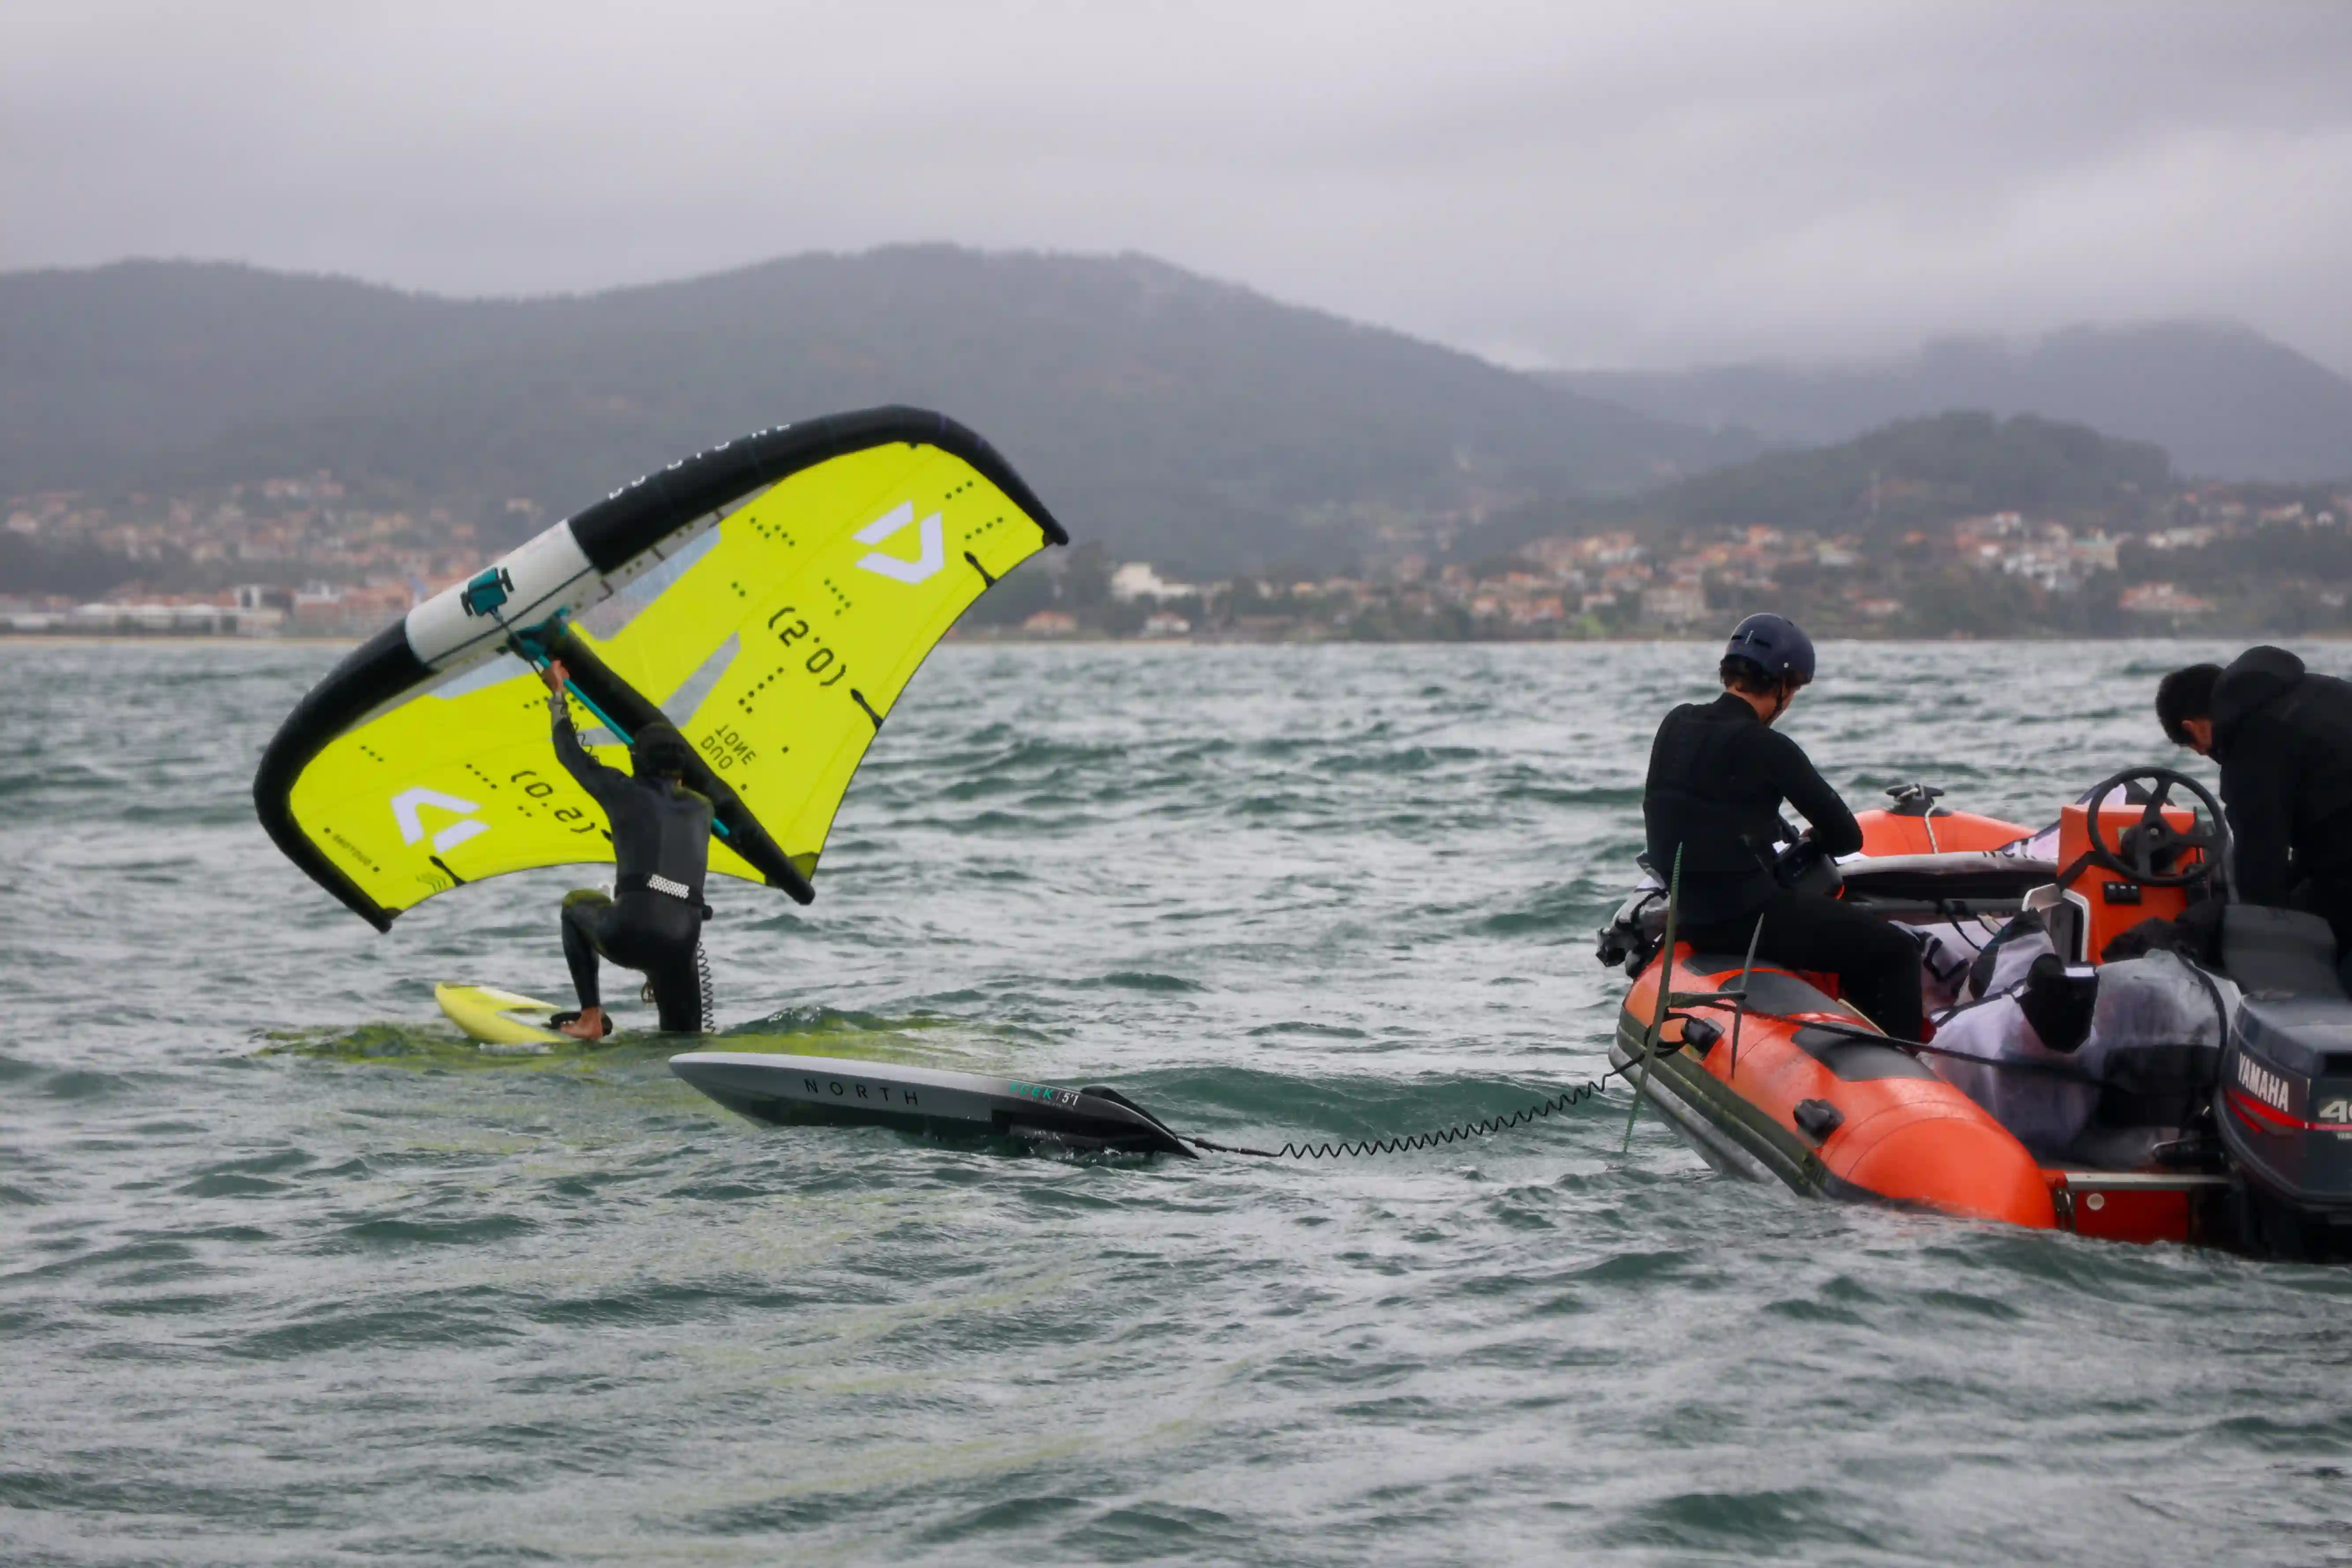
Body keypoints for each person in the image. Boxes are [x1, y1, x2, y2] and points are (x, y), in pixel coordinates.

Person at [1642, 613, 1924, 1041]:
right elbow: (1848, 836)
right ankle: (1895, 1072)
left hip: (1689, 917)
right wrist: (1815, 839)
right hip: (1746, 919)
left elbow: (1691, 808)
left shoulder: (1675, 723)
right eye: (1793, 691)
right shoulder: (1768, 746)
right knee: (1897, 951)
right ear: (1783, 687)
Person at [540, 659, 713, 1039]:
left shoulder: (623, 791)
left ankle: (590, 1019)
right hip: (682, 942)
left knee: (574, 906)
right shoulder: (704, 808)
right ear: (681, 773)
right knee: (686, 1041)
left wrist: (558, 695)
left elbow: (570, 754)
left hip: (631, 932)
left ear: (636, 762)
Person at [2156, 646, 2352, 955]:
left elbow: (2260, 867)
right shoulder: (2320, 691)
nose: (2213, 757)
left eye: (2200, 750)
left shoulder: (2249, 746)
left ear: (2191, 728)